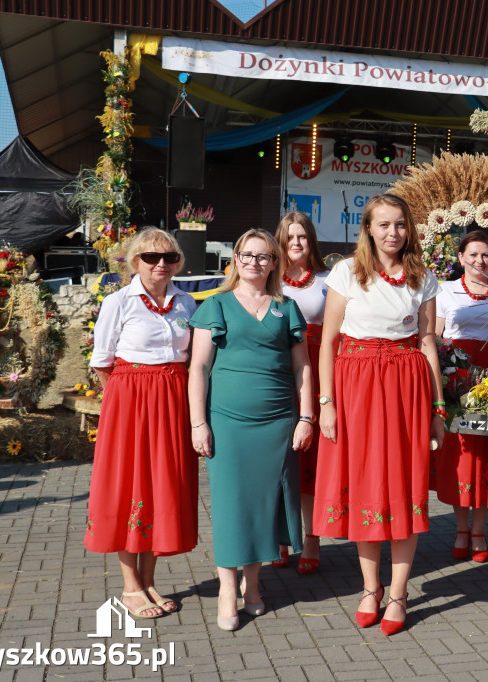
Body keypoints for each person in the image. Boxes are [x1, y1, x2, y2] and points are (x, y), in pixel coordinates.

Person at [314, 193, 444, 636]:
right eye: (384, 224)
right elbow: (329, 341)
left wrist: (437, 409)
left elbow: (427, 342)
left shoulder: (421, 276)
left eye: (401, 225)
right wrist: (326, 403)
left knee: (405, 488)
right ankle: (370, 588)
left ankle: (398, 593)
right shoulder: (346, 272)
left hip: (406, 387)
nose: (393, 233)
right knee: (366, 486)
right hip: (356, 386)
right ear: (368, 228)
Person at [188, 229, 315, 631]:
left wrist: (306, 417)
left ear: (274, 263)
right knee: (230, 507)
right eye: (247, 255)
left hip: (277, 424)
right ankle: (228, 589)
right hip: (227, 423)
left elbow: (302, 368)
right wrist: (198, 423)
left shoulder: (287, 307)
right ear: (236, 259)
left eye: (263, 256)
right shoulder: (217, 306)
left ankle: (254, 585)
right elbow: (199, 369)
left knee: (264, 506)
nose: (254, 263)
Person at [85, 228, 198, 619]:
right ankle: (129, 585)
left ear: (178, 262)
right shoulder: (119, 302)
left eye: (168, 257)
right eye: (151, 258)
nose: (160, 264)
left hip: (172, 400)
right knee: (128, 486)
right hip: (131, 402)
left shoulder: (187, 303)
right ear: (136, 262)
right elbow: (102, 361)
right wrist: (127, 398)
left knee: (160, 486)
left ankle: (149, 580)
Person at [434, 230, 488, 562]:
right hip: (456, 375)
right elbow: (437, 336)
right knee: (460, 455)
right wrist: (441, 375)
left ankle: (480, 530)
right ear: (460, 258)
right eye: (472, 254)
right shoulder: (446, 290)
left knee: (487, 455)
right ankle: (460, 528)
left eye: (485, 255)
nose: (479, 261)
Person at [273, 211, 330, 574]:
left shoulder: (328, 280)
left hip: (317, 371)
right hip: (276, 375)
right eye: (290, 237)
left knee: (309, 460)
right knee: (277, 458)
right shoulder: (267, 280)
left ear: (311, 241)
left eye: (303, 237)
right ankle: (280, 537)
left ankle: (311, 539)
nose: (296, 243)